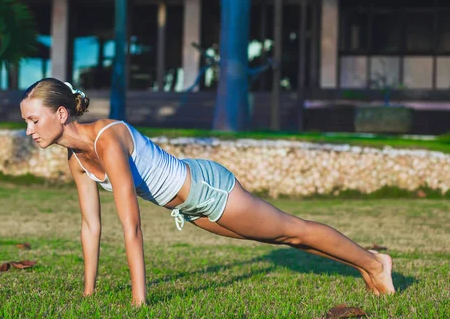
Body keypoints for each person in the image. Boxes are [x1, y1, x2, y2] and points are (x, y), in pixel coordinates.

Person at [20, 78, 395, 306]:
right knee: (285, 238)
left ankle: (377, 264)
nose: (29, 131)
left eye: (34, 120)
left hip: (207, 188)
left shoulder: (107, 139)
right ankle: (367, 264)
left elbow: (131, 226)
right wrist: (89, 294)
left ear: (62, 114)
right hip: (189, 207)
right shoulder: (76, 159)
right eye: (26, 122)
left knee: (290, 228)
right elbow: (91, 227)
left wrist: (140, 303)